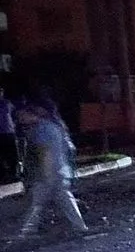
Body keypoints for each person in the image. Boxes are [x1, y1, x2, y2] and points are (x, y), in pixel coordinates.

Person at [17, 99, 88, 237]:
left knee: (37, 202)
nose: (21, 119)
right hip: (59, 170)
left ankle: (27, 230)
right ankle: (80, 226)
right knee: (64, 200)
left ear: (33, 114)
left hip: (49, 172)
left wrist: (46, 173)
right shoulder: (53, 126)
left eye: (23, 116)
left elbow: (46, 152)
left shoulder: (43, 129)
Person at [0, 88, 18, 183]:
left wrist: (14, 125)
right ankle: (3, 175)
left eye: (1, 91)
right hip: (2, 133)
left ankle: (13, 174)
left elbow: (15, 114)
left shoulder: (7, 103)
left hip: (9, 132)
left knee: (12, 154)